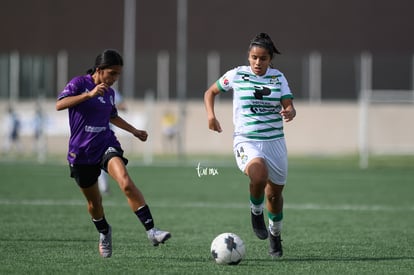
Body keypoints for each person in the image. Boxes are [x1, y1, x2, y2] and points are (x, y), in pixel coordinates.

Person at [56, 49, 171, 258]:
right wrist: (88, 95)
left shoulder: (109, 93)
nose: (115, 79)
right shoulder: (79, 83)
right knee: (94, 203)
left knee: (125, 182)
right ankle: (104, 232)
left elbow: (113, 117)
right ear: (99, 70)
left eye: (118, 74)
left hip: (105, 144)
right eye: (112, 73)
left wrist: (134, 131)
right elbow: (59, 104)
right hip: (81, 152)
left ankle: (152, 231)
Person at [204, 33, 296, 258]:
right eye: (254, 57)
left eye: (263, 58)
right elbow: (210, 92)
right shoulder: (236, 74)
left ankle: (275, 235)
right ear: (249, 56)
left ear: (270, 59)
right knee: (258, 175)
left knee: (274, 196)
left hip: (274, 142)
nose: (257, 62)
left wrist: (290, 111)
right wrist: (211, 116)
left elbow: (288, 104)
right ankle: (256, 212)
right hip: (246, 139)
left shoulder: (278, 78)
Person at [97, 88, 127, 194]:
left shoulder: (112, 92)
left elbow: (123, 106)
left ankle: (104, 187)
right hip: (91, 134)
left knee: (106, 159)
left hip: (107, 134)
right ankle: (99, 187)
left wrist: (110, 107)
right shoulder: (88, 89)